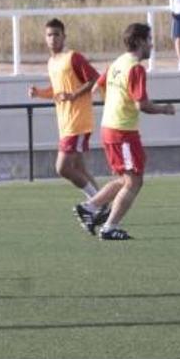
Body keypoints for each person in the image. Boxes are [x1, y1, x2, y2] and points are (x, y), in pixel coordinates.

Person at [75, 23, 175, 240]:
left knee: (126, 179)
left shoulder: (118, 62)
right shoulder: (136, 68)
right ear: (139, 41)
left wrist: (113, 102)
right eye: (149, 40)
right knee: (135, 181)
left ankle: (90, 207)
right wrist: (164, 109)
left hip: (110, 128)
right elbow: (142, 105)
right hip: (123, 132)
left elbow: (96, 87)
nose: (152, 44)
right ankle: (109, 228)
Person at [27, 18, 108, 230]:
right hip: (65, 124)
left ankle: (94, 204)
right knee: (79, 168)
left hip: (78, 122)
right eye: (49, 35)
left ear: (64, 36)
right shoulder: (52, 62)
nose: (53, 39)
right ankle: (103, 205)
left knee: (62, 167)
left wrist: (73, 95)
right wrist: (39, 93)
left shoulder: (73, 57)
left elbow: (94, 79)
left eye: (56, 34)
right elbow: (57, 91)